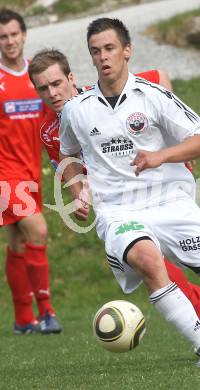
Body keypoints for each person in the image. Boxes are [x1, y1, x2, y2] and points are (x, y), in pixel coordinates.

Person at [29, 48, 200, 358]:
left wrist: (171, 147)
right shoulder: (48, 128)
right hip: (119, 210)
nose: (52, 93)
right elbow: (67, 163)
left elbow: (159, 78)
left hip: (161, 196)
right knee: (156, 268)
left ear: (72, 78)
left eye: (57, 84)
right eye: (43, 88)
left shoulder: (104, 97)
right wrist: (78, 191)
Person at [0, 8, 62, 334]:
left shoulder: (36, 76)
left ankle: (24, 319)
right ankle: (47, 312)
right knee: (37, 231)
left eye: (14, 34)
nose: (9, 41)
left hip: (31, 172)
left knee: (18, 242)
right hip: (4, 176)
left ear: (24, 35)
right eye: (3, 37)